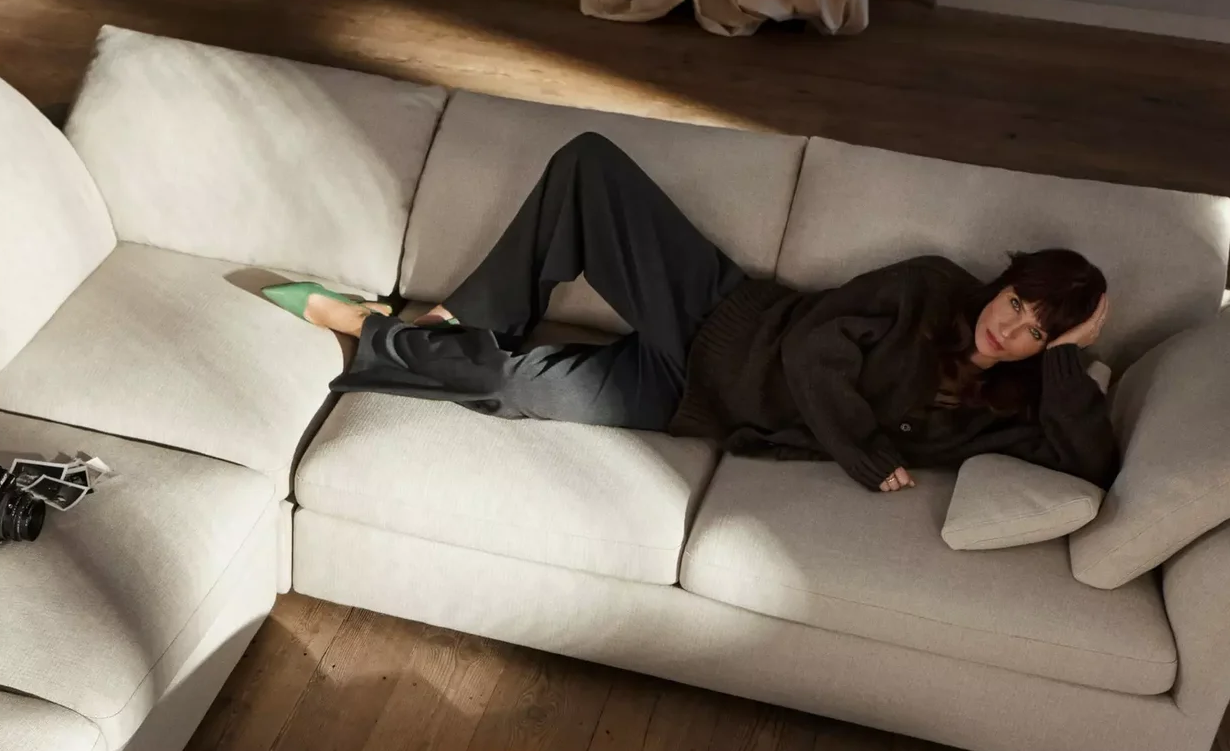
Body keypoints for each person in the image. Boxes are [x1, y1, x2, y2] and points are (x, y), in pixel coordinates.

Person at [264, 132, 1118, 491]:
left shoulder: (1000, 406)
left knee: (508, 388)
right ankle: (461, 313)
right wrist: (860, 453)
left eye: (1036, 331)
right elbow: (813, 351)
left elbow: (1092, 464)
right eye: (1017, 303)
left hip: (690, 403)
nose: (1009, 327)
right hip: (723, 319)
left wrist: (1073, 349)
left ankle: (372, 331)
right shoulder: (930, 287)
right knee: (592, 166)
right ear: (1002, 283)